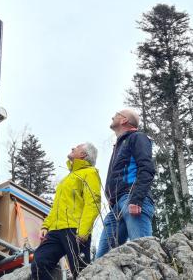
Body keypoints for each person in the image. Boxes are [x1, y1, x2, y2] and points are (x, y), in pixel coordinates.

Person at [31, 143, 101, 280]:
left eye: (77, 147)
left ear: (83, 155)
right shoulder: (66, 180)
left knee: (80, 271)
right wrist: (46, 226)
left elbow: (93, 203)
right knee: (39, 264)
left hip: (75, 230)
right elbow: (56, 207)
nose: (72, 148)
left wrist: (83, 232)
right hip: (55, 231)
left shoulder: (90, 173)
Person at [96, 109, 155, 258]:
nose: (112, 116)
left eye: (116, 114)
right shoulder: (120, 145)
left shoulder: (137, 137)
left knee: (143, 253)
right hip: (116, 207)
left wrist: (136, 199)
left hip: (132, 199)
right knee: (101, 259)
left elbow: (146, 168)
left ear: (124, 120)